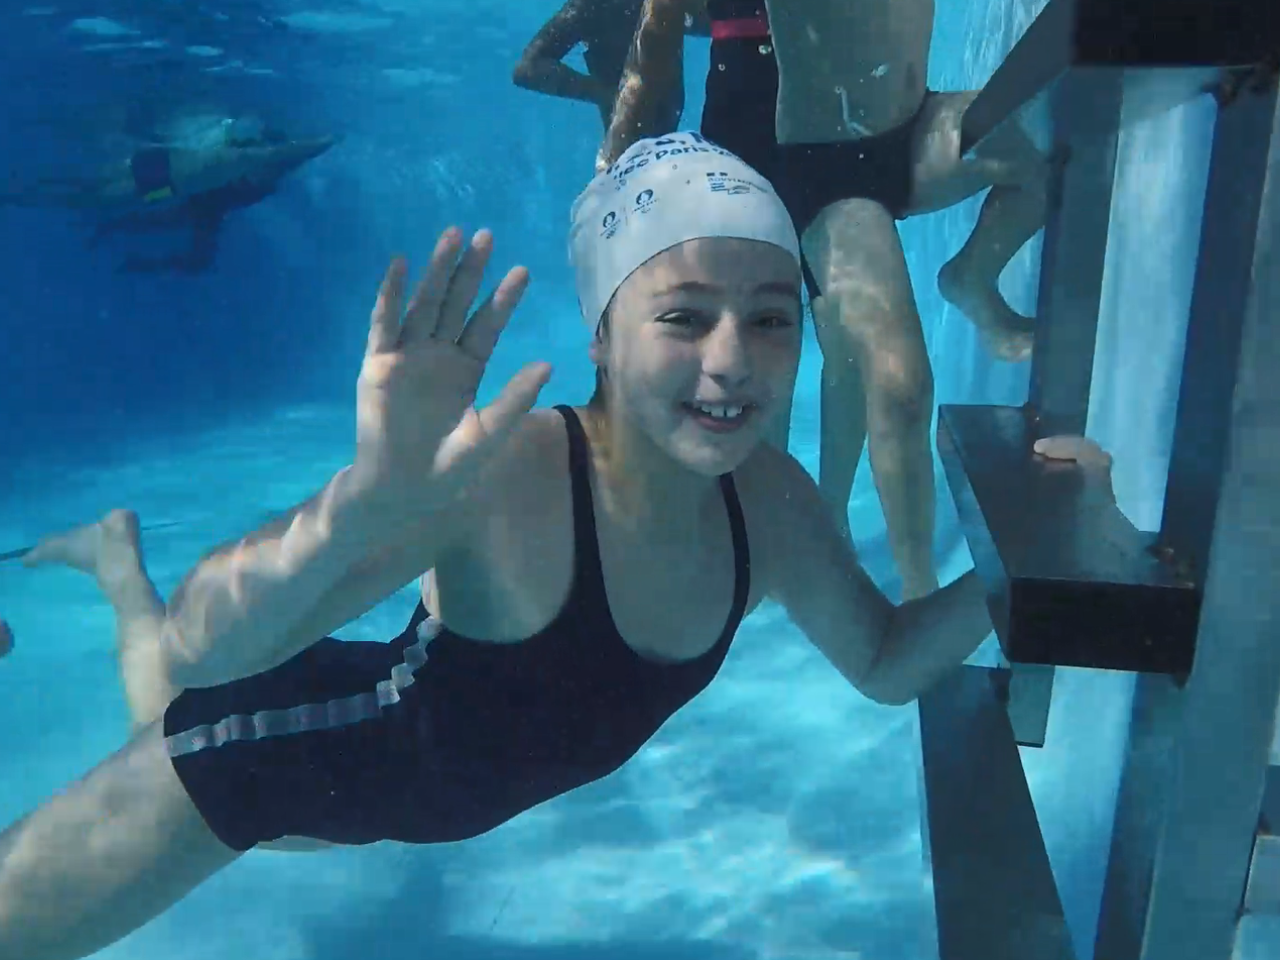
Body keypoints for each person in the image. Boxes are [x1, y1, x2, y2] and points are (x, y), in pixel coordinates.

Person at [0, 136, 1105, 960]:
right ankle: (114, 564)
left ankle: (110, 559)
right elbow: (214, 652)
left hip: (393, 807)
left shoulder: (765, 501)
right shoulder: (515, 470)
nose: (733, 360)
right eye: (682, 316)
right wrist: (359, 509)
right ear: (600, 339)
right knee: (163, 719)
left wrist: (1021, 563)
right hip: (276, 755)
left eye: (770, 318)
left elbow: (881, 664)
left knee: (157, 701)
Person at [600, 0, 1050, 600]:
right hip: (821, 157)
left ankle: (971, 279)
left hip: (911, 126)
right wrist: (616, 171)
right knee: (835, 370)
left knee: (1045, 138)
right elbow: (659, 35)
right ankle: (840, 568)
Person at [2, 118, 336, 274]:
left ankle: (25, 189)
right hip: (164, 179)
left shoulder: (233, 156)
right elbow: (293, 153)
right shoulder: (246, 160)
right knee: (93, 196)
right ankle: (21, 195)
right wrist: (330, 138)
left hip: (162, 172)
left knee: (92, 189)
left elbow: (284, 157)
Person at [513, 0, 708, 131]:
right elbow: (527, 68)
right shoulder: (589, 7)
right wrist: (611, 95)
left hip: (665, 135)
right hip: (626, 141)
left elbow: (718, 21)